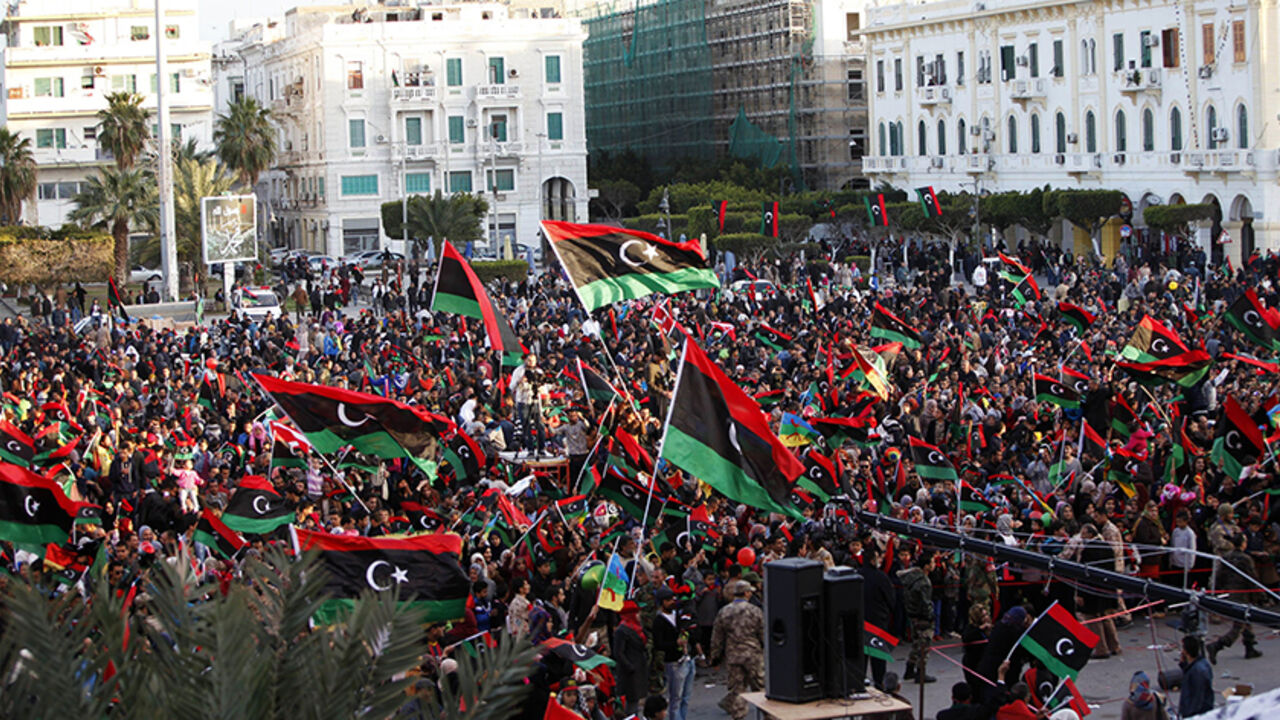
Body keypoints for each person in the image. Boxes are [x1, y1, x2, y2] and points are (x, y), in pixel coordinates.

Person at [709, 580, 764, 720]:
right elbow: (763, 633)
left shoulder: (724, 611)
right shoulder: (755, 610)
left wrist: (715, 657)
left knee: (737, 691)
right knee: (760, 690)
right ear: (746, 593)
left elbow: (717, 637)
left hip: (733, 656)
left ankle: (739, 717)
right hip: (753, 655)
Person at [1207, 532, 1262, 662]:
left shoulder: (1227, 557)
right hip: (1241, 593)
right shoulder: (1245, 559)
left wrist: (1220, 589)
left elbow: (1220, 575)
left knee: (1246, 620)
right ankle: (1217, 645)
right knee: (1239, 625)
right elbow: (1251, 578)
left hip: (1230, 592)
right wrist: (1260, 594)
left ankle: (1250, 647)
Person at [651, 587, 694, 720]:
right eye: (668, 600)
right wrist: (676, 643)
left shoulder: (679, 615)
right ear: (662, 602)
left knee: (686, 697)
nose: (672, 601)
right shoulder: (659, 621)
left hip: (688, 659)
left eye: (673, 598)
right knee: (676, 698)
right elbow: (659, 644)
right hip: (674, 662)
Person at [898, 547, 936, 683]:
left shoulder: (911, 577)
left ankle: (909, 669)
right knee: (924, 646)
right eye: (932, 563)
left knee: (916, 643)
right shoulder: (924, 582)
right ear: (926, 566)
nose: (934, 565)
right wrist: (930, 615)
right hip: (922, 617)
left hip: (912, 614)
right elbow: (925, 603)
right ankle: (921, 672)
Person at [1178, 635, 1214, 718]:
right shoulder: (1202, 664)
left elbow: (1197, 697)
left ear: (1186, 651)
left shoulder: (1197, 671)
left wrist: (1189, 714)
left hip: (1195, 713)